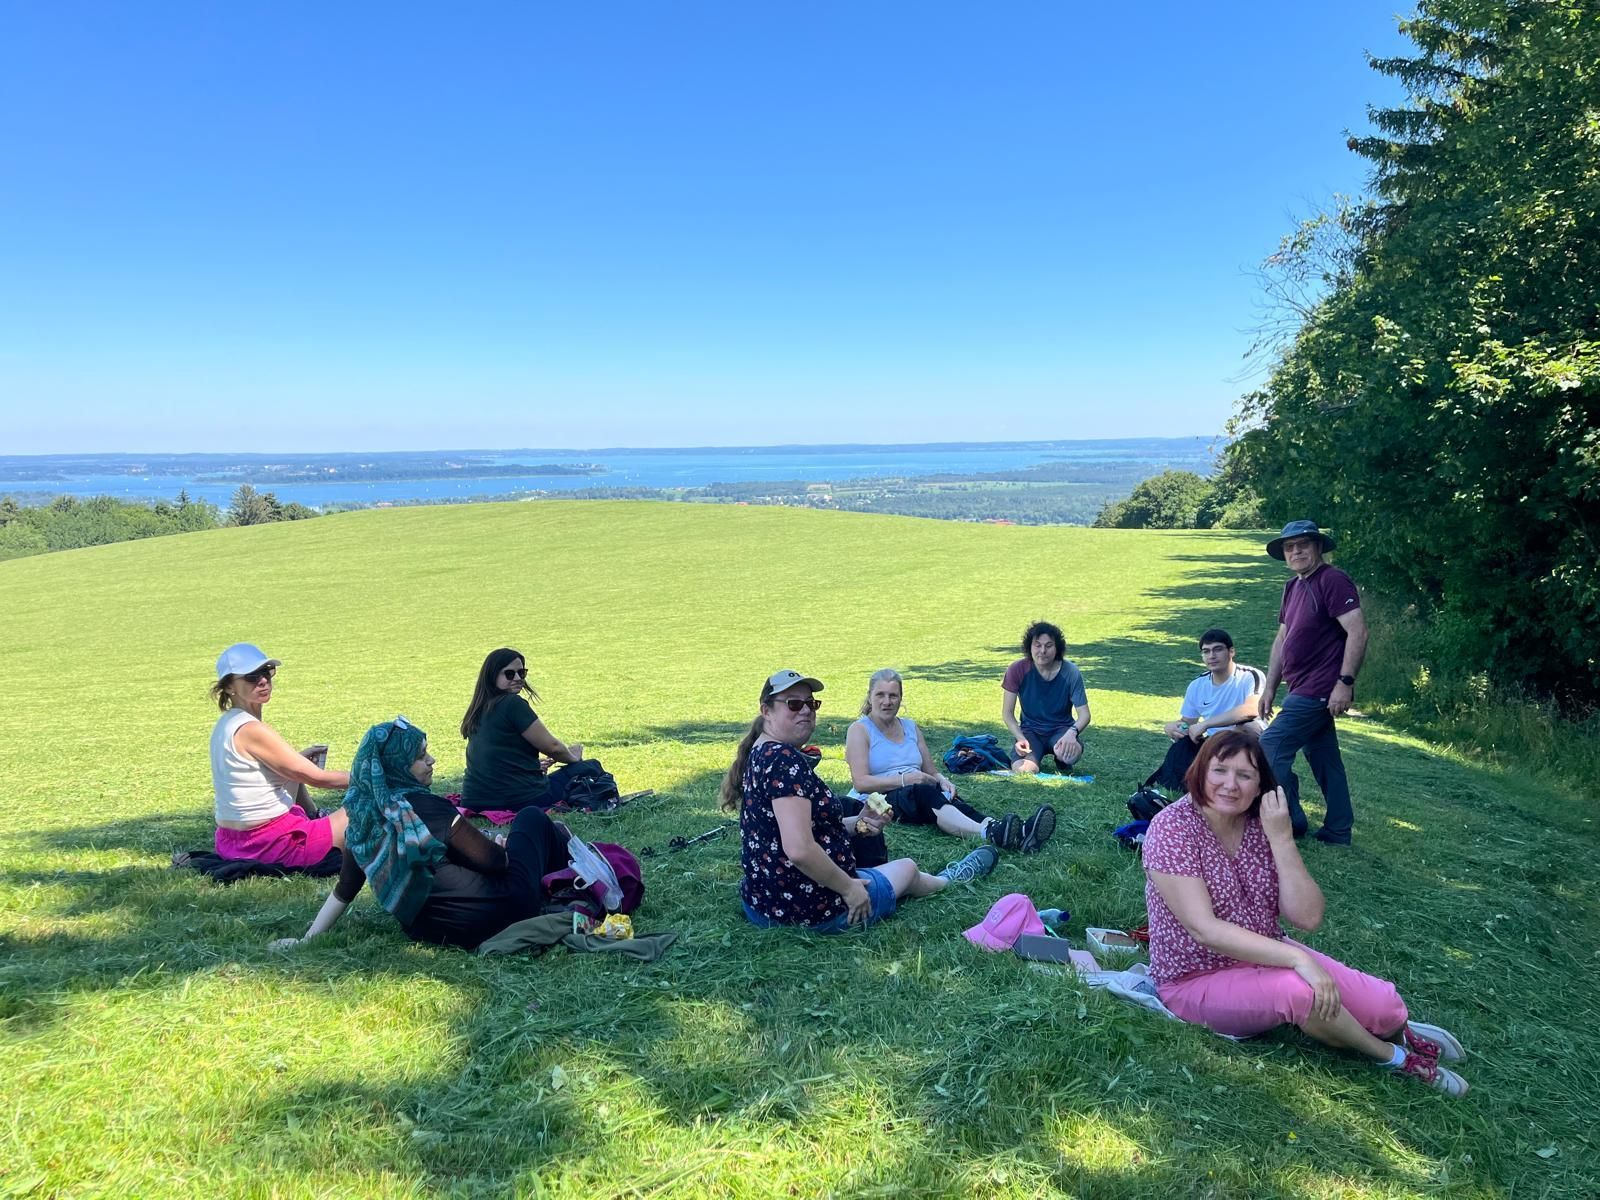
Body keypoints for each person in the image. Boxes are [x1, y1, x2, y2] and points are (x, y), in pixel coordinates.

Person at [1142, 730, 1469, 1096]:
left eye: (1245, 775)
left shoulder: (1262, 823)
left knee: (1385, 1004)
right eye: (1220, 771)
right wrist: (1297, 958)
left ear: (1260, 784)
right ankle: (1391, 1056)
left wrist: (1281, 839)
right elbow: (1205, 930)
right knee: (1303, 993)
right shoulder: (1172, 828)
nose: (1230, 785)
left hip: (1266, 952)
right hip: (1195, 978)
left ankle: (1400, 1028)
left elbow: (1307, 918)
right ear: (1200, 771)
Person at [721, 669, 998, 932]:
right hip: (804, 908)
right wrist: (849, 889)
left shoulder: (762, 751)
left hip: (763, 901)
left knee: (881, 862)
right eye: (793, 704)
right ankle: (950, 878)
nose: (805, 710)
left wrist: (859, 822)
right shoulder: (784, 761)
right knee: (908, 869)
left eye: (811, 703)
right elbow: (800, 849)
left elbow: (806, 829)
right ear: (766, 710)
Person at [272, 716, 573, 950]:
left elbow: (346, 888)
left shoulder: (362, 819)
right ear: (397, 767)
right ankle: (571, 881)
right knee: (531, 819)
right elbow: (496, 863)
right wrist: (502, 845)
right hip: (499, 912)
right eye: (421, 756)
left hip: (433, 930)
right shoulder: (426, 808)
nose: (431, 761)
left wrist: (307, 938)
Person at [846, 668, 1055, 853]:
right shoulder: (860, 730)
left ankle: (1013, 831)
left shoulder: (910, 727)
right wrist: (907, 779)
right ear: (870, 696)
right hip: (878, 799)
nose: (887, 701)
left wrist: (943, 779)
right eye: (880, 695)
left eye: (893, 695)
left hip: (916, 788)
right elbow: (861, 783)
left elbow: (930, 770)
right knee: (924, 792)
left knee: (948, 797)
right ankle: (989, 832)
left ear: (901, 698)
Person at [1257, 520, 1369, 844]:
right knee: (1324, 761)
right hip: (1298, 686)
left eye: (1303, 544)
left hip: (1319, 688)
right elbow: (1282, 638)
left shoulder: (1332, 580)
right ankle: (1337, 830)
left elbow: (1358, 631)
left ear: (1318, 547)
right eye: (1289, 547)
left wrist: (1344, 682)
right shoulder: (1293, 586)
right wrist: (1269, 687)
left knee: (1271, 747)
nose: (1296, 551)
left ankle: (1290, 821)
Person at [209, 643, 351, 866]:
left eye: (266, 671)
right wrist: (378, 778)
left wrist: (298, 760)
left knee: (296, 768)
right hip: (269, 844)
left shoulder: (227, 723)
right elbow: (319, 779)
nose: (263, 680)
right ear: (228, 687)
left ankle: (315, 817)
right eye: (251, 676)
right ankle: (317, 827)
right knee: (368, 808)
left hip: (230, 842)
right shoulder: (252, 730)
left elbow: (288, 771)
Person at [460, 647, 586, 812]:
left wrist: (529, 766)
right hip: (518, 799)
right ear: (492, 676)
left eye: (522, 673)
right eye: (510, 674)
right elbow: (552, 747)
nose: (518, 678)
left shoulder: (479, 708)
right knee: (589, 768)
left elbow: (495, 757)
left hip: (474, 799)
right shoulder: (512, 704)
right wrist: (573, 758)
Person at [1146, 629, 1265, 793]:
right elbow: (1187, 723)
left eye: (1218, 649)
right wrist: (1172, 727)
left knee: (1246, 727)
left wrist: (1206, 724)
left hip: (1248, 739)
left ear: (1231, 651)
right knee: (1185, 740)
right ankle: (1176, 787)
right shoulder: (1198, 685)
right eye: (1206, 651)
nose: (1212, 656)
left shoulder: (1249, 676)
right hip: (1212, 742)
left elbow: (1251, 710)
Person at [1001, 621, 1091, 774]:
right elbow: (1007, 713)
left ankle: (1061, 758)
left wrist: (1072, 733)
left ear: (1057, 649)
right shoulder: (1017, 669)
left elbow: (1085, 715)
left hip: (1061, 730)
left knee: (1070, 756)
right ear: (1029, 647)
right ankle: (1033, 757)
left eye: (1049, 646)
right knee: (1024, 771)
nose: (1042, 651)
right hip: (1031, 731)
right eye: (1037, 645)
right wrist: (1020, 737)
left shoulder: (1071, 671)